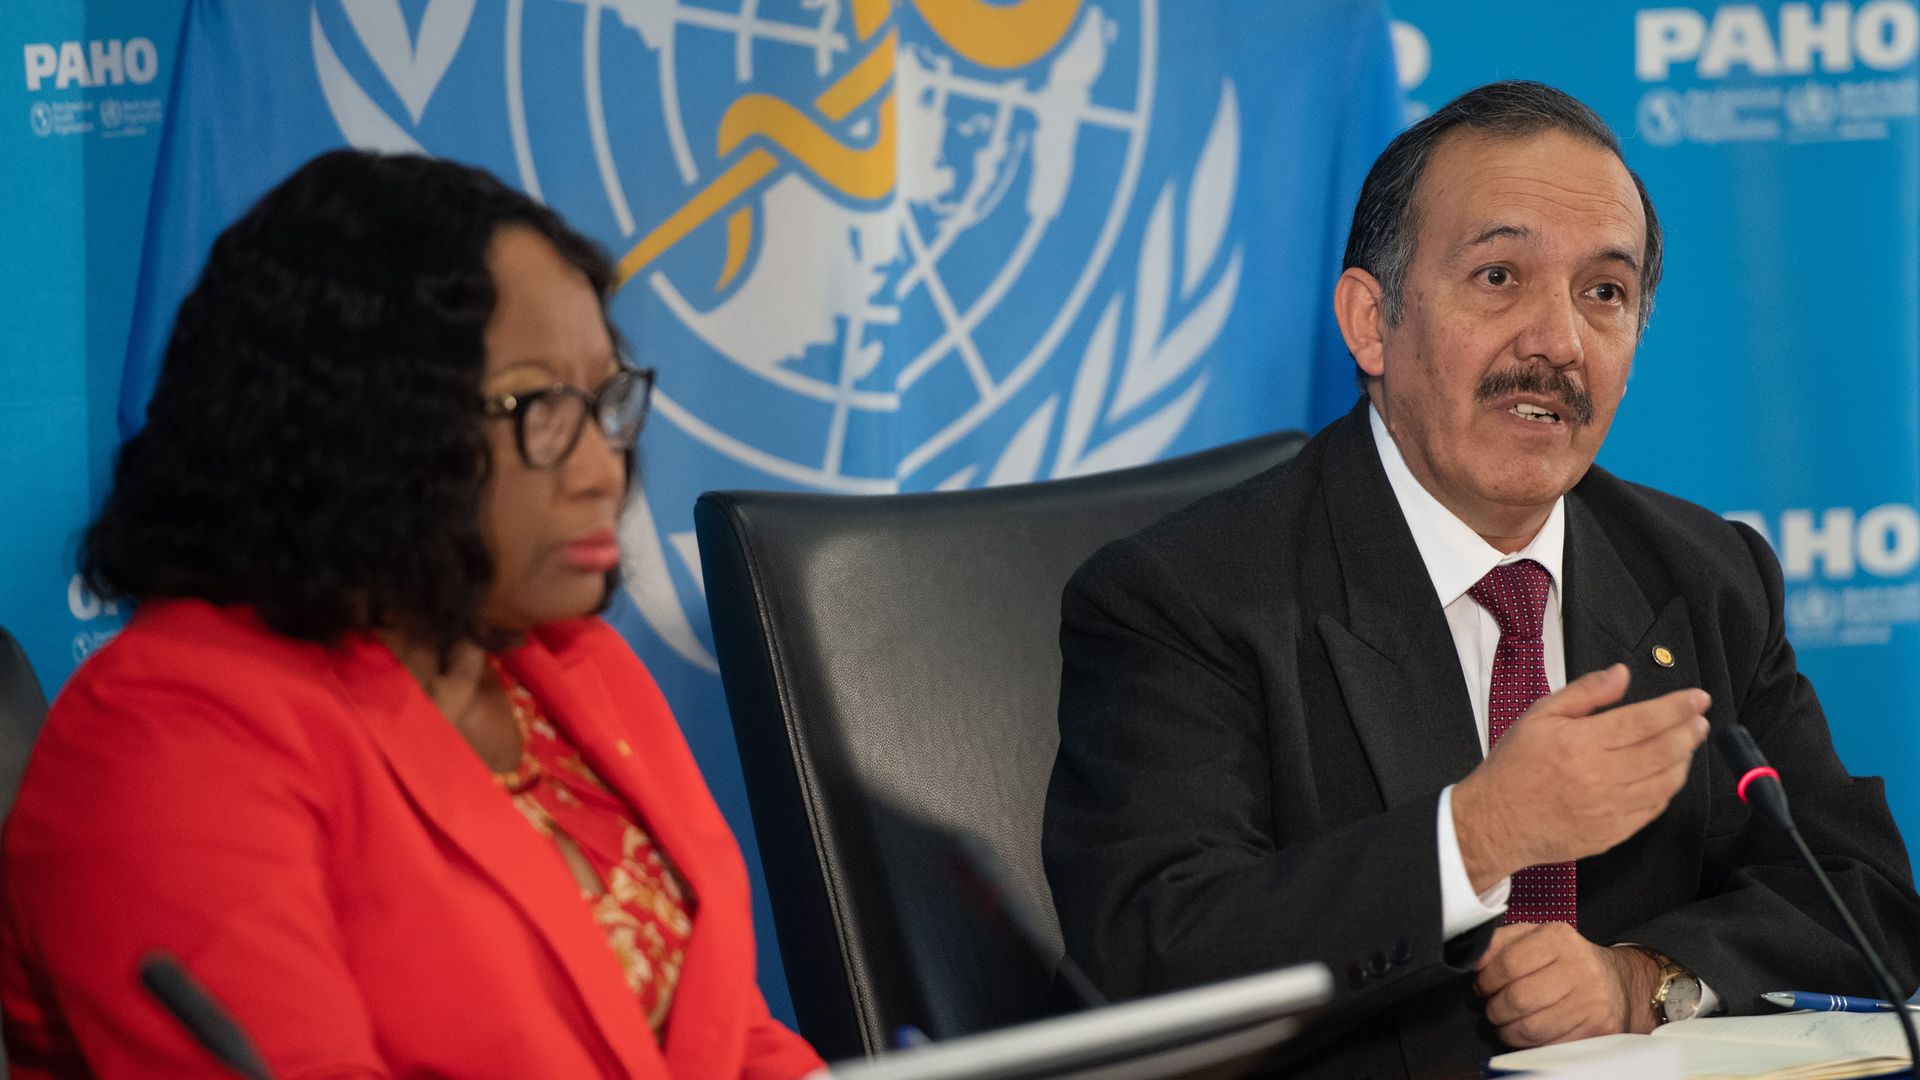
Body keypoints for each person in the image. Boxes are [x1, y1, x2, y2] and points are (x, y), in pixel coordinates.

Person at [1042, 81, 1920, 1078]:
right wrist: (1480, 834)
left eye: (1605, 292)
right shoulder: (1184, 597)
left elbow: (1862, 896)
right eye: (1500, 276)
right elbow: (1147, 959)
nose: (1557, 342)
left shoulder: (1704, 574)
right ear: (1372, 323)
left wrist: (1643, 978)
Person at [0, 150, 823, 1079]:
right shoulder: (170, 737)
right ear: (358, 422)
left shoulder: (575, 666)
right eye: (537, 408)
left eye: (603, 404)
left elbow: (728, 1038)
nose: (602, 468)